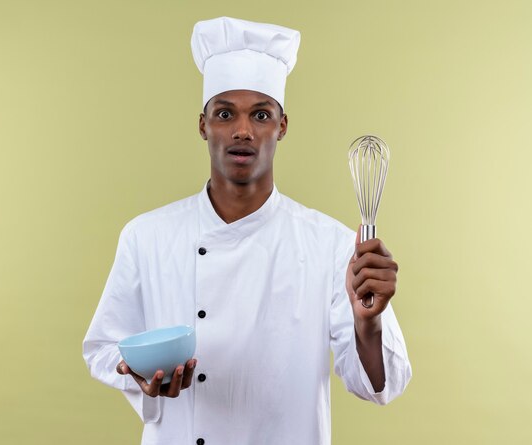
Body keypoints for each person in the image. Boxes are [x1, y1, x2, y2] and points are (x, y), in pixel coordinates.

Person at [83, 16, 411, 445]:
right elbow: (104, 348)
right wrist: (139, 377)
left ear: (282, 126)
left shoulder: (331, 245)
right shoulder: (146, 235)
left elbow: (379, 385)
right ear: (203, 125)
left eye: (260, 114)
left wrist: (369, 325)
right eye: (224, 114)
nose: (242, 130)